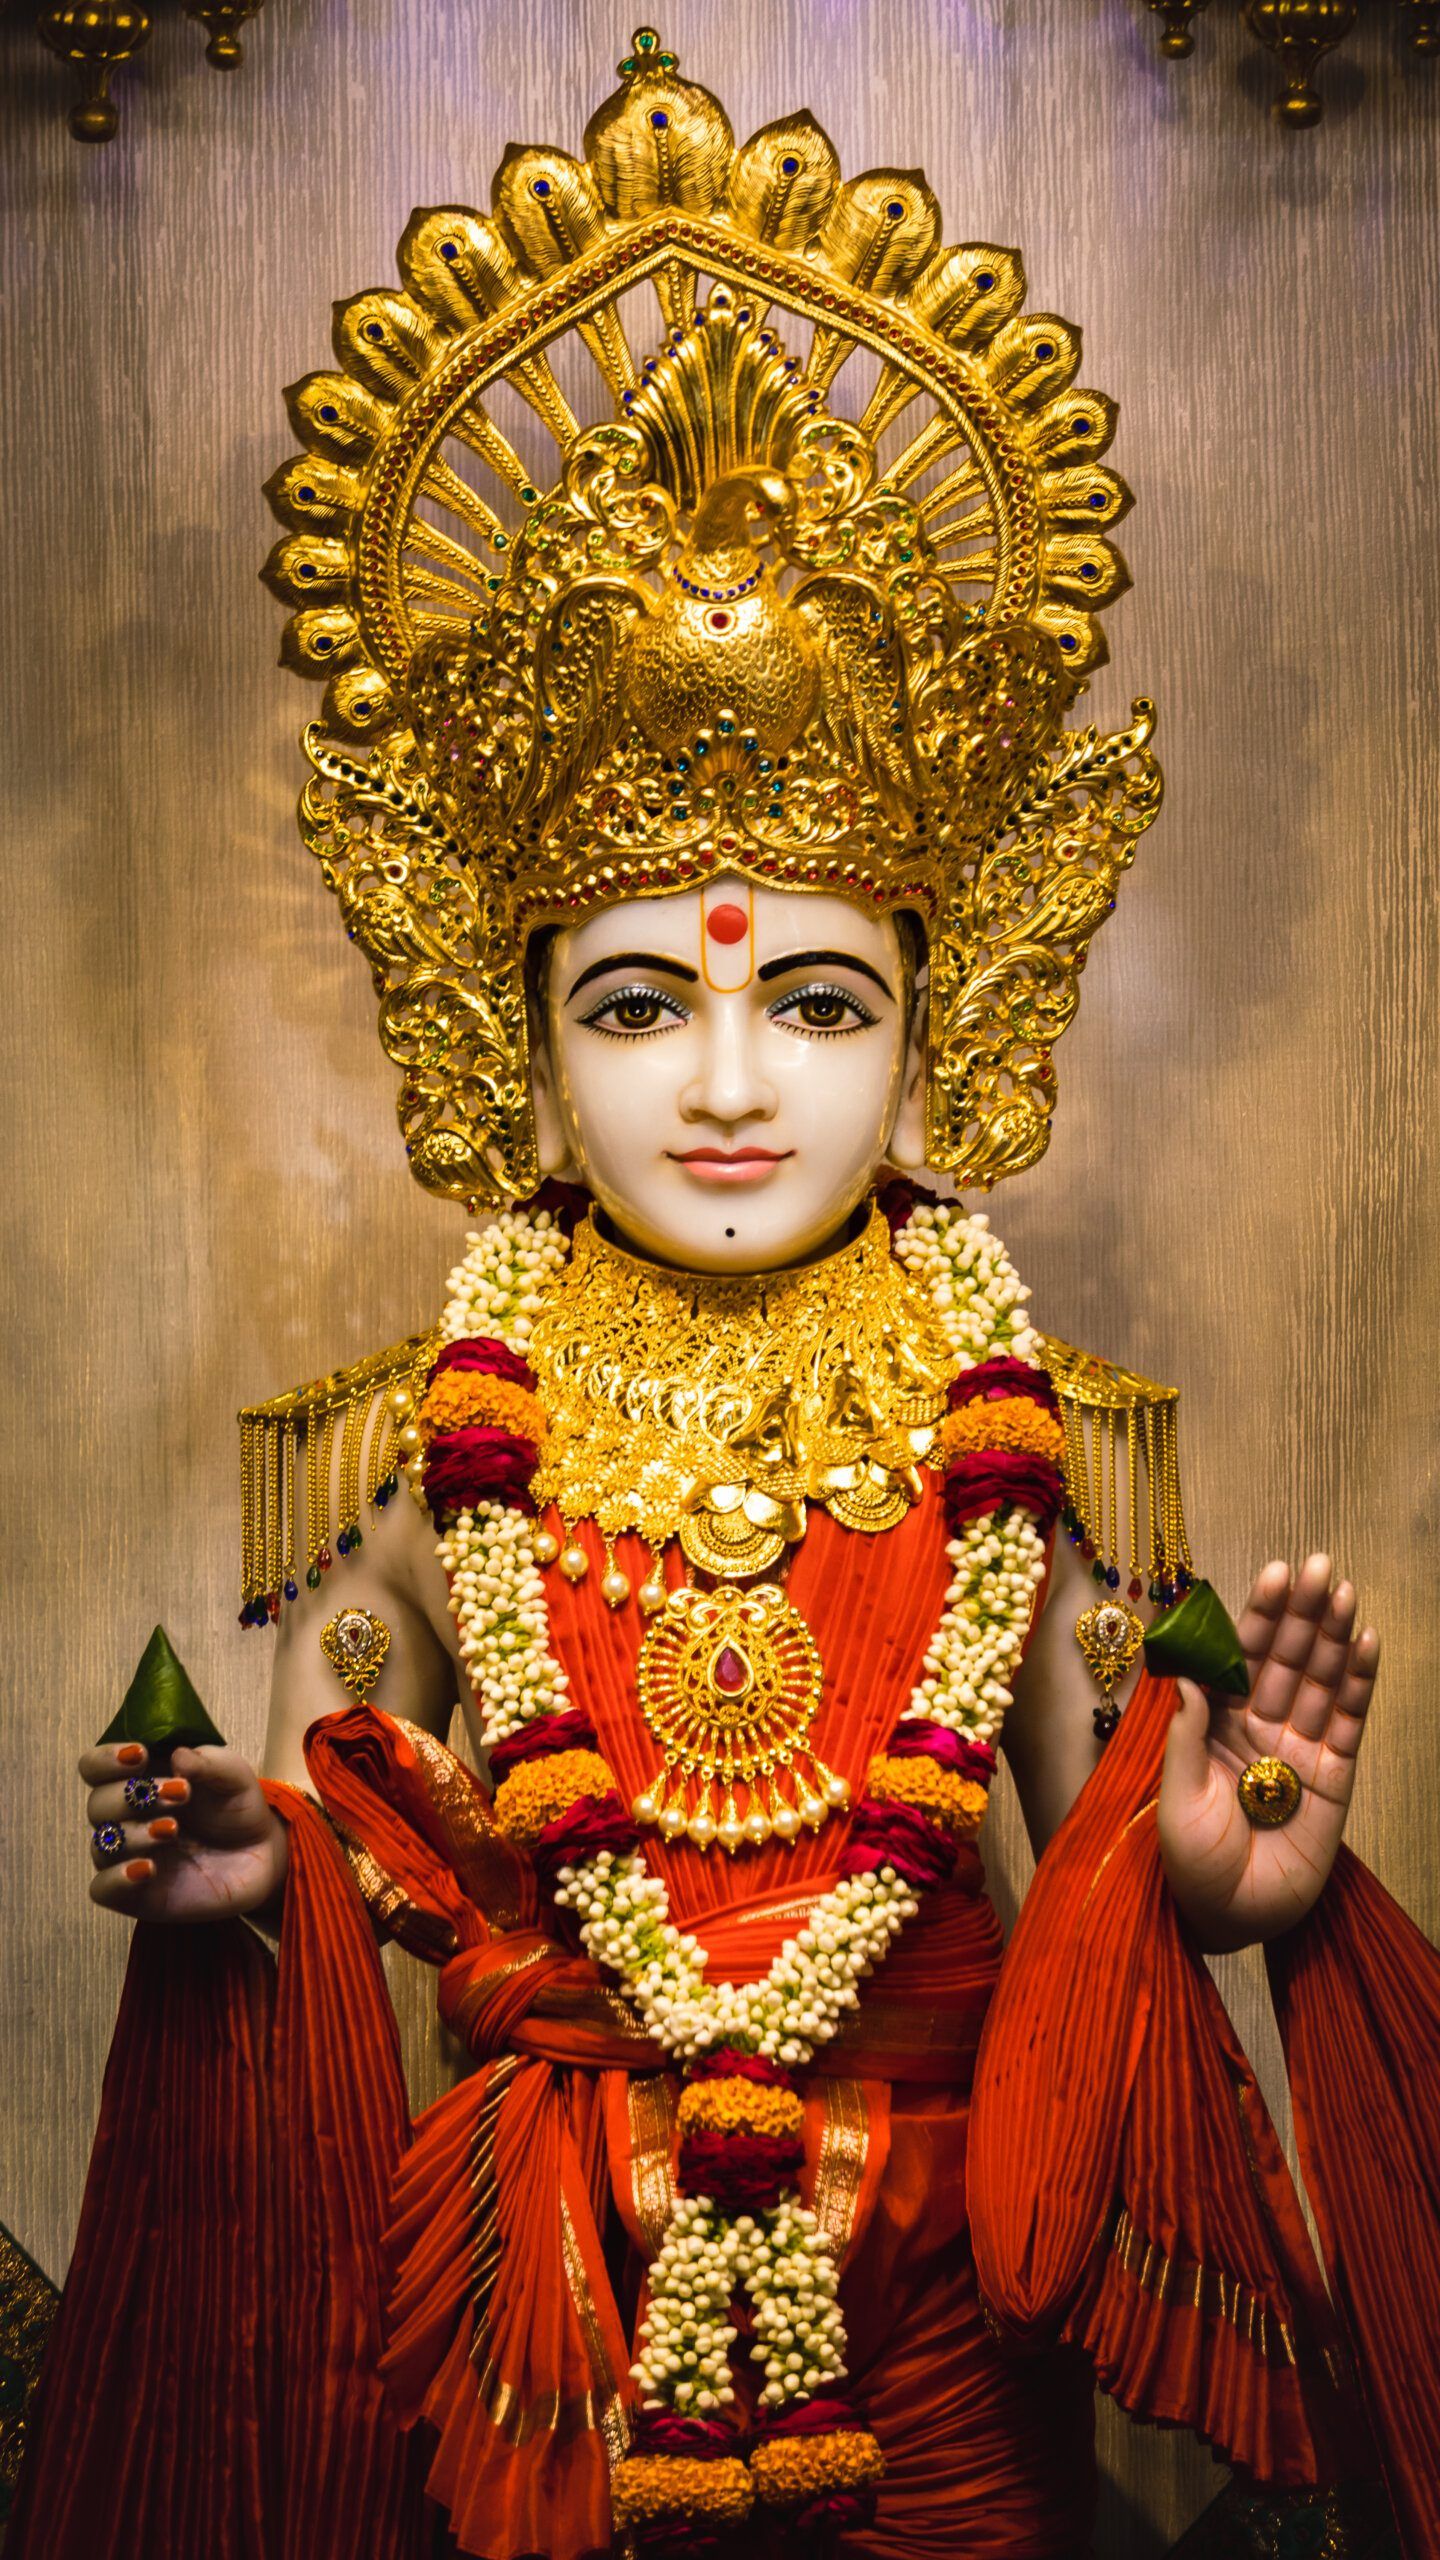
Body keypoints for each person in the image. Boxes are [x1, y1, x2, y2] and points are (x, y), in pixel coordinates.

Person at [16, 27, 1440, 2560]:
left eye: (817, 999)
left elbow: (1109, 1841)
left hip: (949, 2320)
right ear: (514, 1042)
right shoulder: (414, 1438)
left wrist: (1223, 1892)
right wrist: (249, 1879)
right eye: (641, 1002)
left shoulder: (1046, 1434)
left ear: (941, 1028)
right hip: (550, 2310)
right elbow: (357, 1840)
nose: (729, 1084)